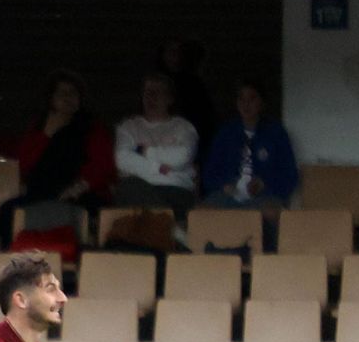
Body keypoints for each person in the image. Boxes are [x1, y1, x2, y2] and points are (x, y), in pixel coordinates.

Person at [0, 69, 115, 250]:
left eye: (73, 93)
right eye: (62, 93)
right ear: (51, 98)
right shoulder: (39, 127)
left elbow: (102, 165)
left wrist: (78, 187)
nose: (68, 97)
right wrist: (46, 135)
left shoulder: (92, 127)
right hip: (43, 191)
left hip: (81, 193)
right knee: (7, 211)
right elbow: (24, 165)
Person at [200, 79, 297, 251]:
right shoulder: (226, 132)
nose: (246, 104)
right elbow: (208, 173)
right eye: (241, 99)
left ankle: (267, 259)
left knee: (271, 213)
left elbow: (289, 175)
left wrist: (264, 183)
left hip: (263, 196)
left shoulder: (276, 133)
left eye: (252, 99)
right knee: (201, 212)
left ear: (261, 103)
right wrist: (224, 185)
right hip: (228, 195)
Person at [114, 72, 199, 221]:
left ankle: (165, 228)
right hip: (138, 190)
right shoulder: (129, 127)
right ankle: (172, 230)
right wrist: (158, 168)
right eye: (148, 93)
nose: (151, 97)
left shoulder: (183, 127)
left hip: (175, 189)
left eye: (158, 93)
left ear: (169, 99)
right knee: (129, 186)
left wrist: (144, 151)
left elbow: (182, 156)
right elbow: (122, 159)